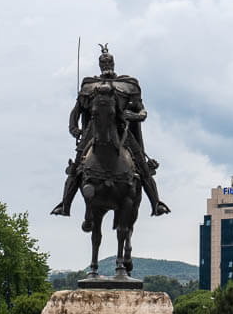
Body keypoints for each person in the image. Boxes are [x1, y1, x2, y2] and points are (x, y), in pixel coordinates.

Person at [53, 44, 169, 227]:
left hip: (122, 131)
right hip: (93, 131)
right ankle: (65, 204)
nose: (106, 63)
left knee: (141, 165)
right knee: (76, 167)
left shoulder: (129, 84)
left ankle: (156, 203)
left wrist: (136, 116)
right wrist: (74, 128)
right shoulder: (89, 85)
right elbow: (75, 112)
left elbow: (142, 111)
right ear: (99, 64)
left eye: (108, 60)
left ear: (113, 62)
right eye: (103, 61)